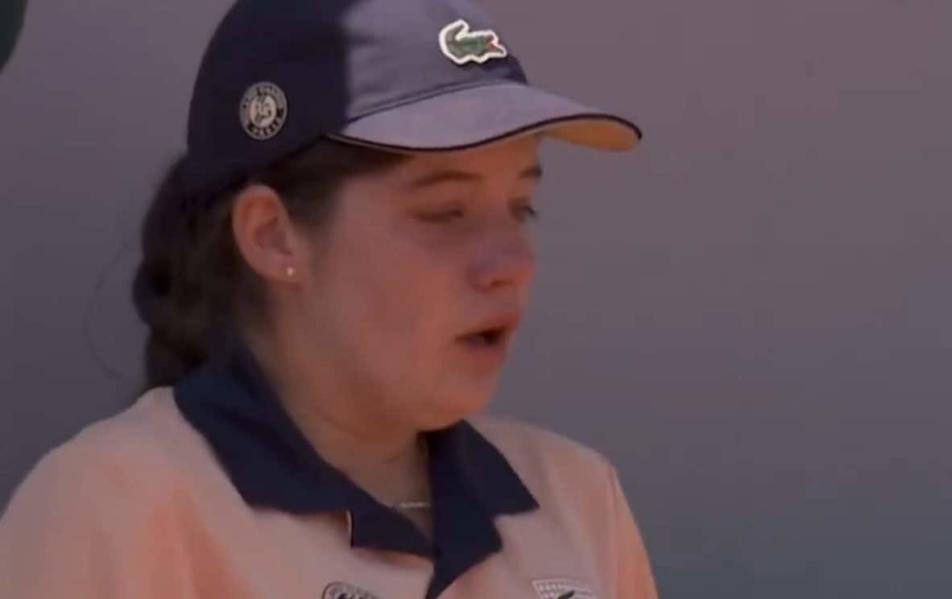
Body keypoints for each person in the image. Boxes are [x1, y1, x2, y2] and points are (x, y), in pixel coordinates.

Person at [0, 0, 659, 597]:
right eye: (446, 211)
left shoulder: (576, 495)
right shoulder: (115, 506)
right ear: (273, 235)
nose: (511, 263)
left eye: (521, 207)